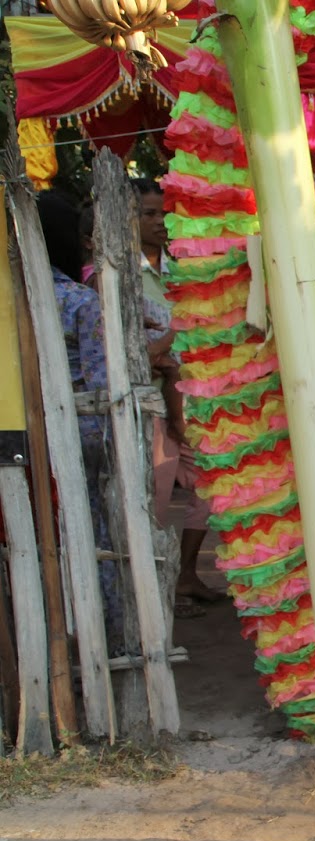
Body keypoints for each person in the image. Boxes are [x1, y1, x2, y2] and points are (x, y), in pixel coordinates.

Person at [39, 192, 123, 649]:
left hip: (23, 441)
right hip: (79, 437)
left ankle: (47, 634)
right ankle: (99, 636)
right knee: (94, 538)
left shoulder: (14, 299)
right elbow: (101, 384)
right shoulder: (78, 301)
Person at [135, 179, 223, 609]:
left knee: (208, 487)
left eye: (164, 214)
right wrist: (173, 336)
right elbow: (139, 353)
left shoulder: (177, 273)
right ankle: (148, 593)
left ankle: (186, 574)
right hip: (146, 405)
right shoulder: (114, 276)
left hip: (190, 399)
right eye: (149, 214)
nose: (160, 223)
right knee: (153, 500)